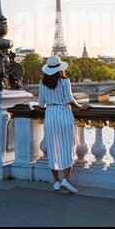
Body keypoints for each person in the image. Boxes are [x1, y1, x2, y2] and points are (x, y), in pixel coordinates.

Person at [38, 55, 92, 193]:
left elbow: (40, 104)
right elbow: (70, 100)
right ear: (60, 68)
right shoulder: (64, 81)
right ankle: (66, 180)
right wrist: (81, 107)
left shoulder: (42, 84)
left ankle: (56, 181)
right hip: (64, 114)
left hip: (50, 115)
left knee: (53, 148)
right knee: (67, 147)